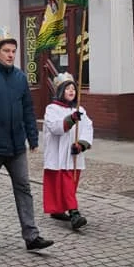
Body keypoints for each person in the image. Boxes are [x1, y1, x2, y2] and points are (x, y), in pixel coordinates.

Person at [0, 29, 53, 252]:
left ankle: (31, 235)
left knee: (24, 187)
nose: (11, 55)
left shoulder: (19, 77)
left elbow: (27, 108)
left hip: (16, 144)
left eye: (13, 51)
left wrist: (33, 137)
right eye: (6, 51)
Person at [42, 72, 94, 230]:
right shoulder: (52, 108)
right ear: (60, 91)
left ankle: (58, 210)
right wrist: (71, 119)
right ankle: (74, 213)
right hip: (58, 156)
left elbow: (87, 128)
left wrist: (82, 144)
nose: (71, 91)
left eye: (73, 89)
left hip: (73, 155)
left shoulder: (81, 110)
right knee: (66, 184)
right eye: (67, 89)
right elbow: (55, 127)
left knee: (71, 184)